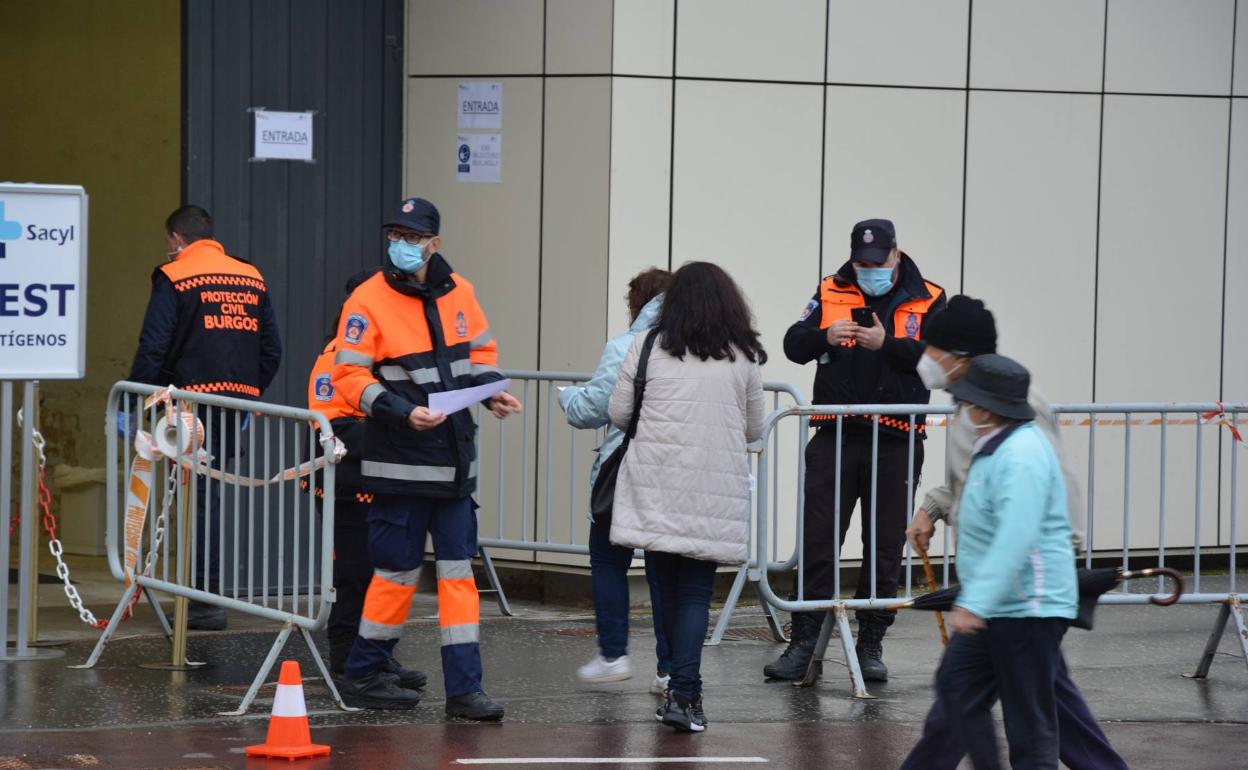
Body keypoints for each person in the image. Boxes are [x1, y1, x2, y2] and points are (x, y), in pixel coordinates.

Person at [902, 296, 1124, 770]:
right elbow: (974, 482)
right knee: (996, 697)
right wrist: (933, 508)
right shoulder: (974, 408)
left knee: (1022, 710)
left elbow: (1039, 495)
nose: (928, 357)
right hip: (1005, 589)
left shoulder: (1017, 418)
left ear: (960, 357)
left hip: (1026, 589)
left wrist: (1061, 559)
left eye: (934, 347)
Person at [331, 197, 523, 719]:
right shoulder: (367, 299)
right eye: (396, 233)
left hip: (454, 465)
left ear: (434, 243)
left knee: (459, 580)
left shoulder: (461, 291)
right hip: (401, 465)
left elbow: (479, 358)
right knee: (394, 573)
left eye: (413, 236)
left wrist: (491, 391)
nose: (403, 244)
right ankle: (365, 672)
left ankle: (465, 690)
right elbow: (348, 377)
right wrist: (399, 411)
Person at [774, 218, 946, 681]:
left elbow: (942, 361)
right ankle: (804, 640)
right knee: (819, 538)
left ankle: (871, 643)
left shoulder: (929, 296)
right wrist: (823, 337)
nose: (867, 269)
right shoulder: (832, 289)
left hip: (895, 438)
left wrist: (887, 345)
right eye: (860, 262)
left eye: (876, 261)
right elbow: (793, 344)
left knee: (884, 543)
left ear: (896, 254)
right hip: (836, 433)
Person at [607, 261, 766, 733]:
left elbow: (618, 413)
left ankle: (676, 683)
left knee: (662, 587)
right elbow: (755, 428)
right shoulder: (742, 356)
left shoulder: (648, 345)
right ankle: (686, 694)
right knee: (696, 593)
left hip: (655, 483)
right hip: (712, 489)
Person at [909, 354, 1079, 770]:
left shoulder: (1020, 456)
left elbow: (1015, 536)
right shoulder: (997, 447)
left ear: (986, 407)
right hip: (1002, 605)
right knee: (956, 687)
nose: (964, 407)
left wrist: (975, 602)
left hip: (1027, 606)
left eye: (969, 400)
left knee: (1029, 724)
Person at [128, 204, 282, 630]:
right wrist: (249, 393)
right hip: (233, 406)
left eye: (168, 243)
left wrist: (136, 401)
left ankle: (202, 599)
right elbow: (272, 350)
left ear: (177, 239)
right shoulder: (250, 276)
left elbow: (154, 346)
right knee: (211, 498)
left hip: (188, 409)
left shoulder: (174, 275)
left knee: (196, 499)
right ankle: (207, 596)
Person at [304, 268, 426, 693]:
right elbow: (332, 428)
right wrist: (400, 430)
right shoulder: (336, 356)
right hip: (344, 484)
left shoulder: (388, 358)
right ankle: (347, 657)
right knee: (353, 573)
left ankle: (377, 654)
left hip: (381, 481)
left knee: (383, 575)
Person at [558, 268, 673, 692]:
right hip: (671, 472)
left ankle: (613, 654)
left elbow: (593, 409)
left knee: (608, 560)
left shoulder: (625, 347)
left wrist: (567, 395)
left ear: (637, 304)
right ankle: (668, 669)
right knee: (665, 572)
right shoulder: (696, 348)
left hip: (625, 469)